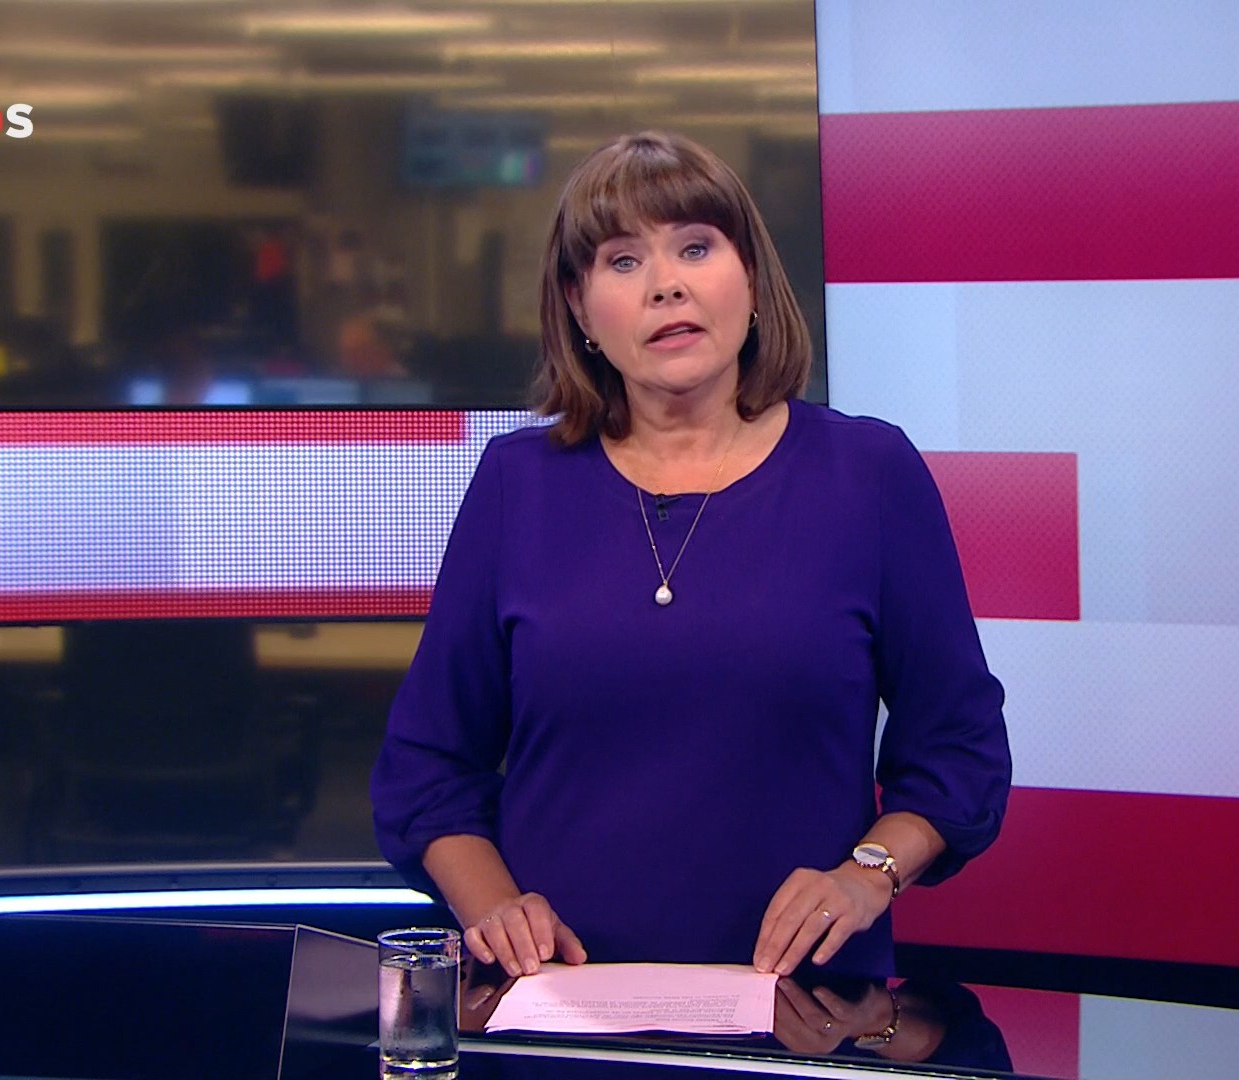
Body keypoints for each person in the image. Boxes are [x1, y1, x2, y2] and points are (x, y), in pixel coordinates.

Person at [371, 131, 1010, 986]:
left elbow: (960, 746)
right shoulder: (515, 484)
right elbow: (427, 766)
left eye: (696, 248)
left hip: (802, 1006)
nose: (666, 284)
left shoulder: (869, 474)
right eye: (623, 261)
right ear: (580, 308)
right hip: (562, 1006)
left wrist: (866, 877)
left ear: (752, 279)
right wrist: (496, 909)